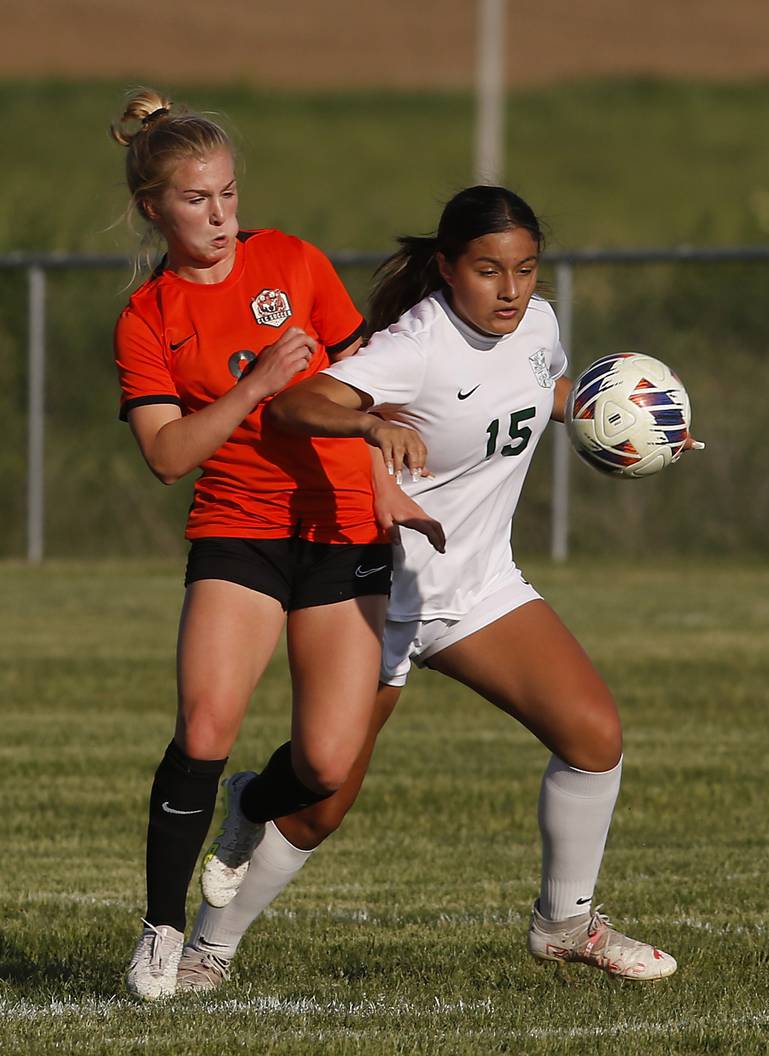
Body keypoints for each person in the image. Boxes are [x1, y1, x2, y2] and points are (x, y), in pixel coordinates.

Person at [179, 185, 682, 991]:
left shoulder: (539, 327)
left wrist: (627, 422)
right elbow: (298, 405)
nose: (511, 290)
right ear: (448, 268)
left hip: (479, 586)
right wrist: (373, 422)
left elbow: (535, 395)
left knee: (593, 736)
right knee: (320, 802)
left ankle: (564, 924)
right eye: (489, 271)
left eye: (525, 270)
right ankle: (209, 949)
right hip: (379, 593)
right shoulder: (414, 345)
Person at [111, 87, 442, 1001]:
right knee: (204, 726)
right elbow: (169, 454)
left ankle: (251, 805)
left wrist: (386, 487)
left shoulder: (293, 261)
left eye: (227, 195)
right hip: (238, 532)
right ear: (153, 208)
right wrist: (253, 385)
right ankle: (163, 932)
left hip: (339, 530)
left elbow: (356, 391)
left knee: (328, 765)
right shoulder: (148, 318)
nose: (220, 216)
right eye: (195, 200)